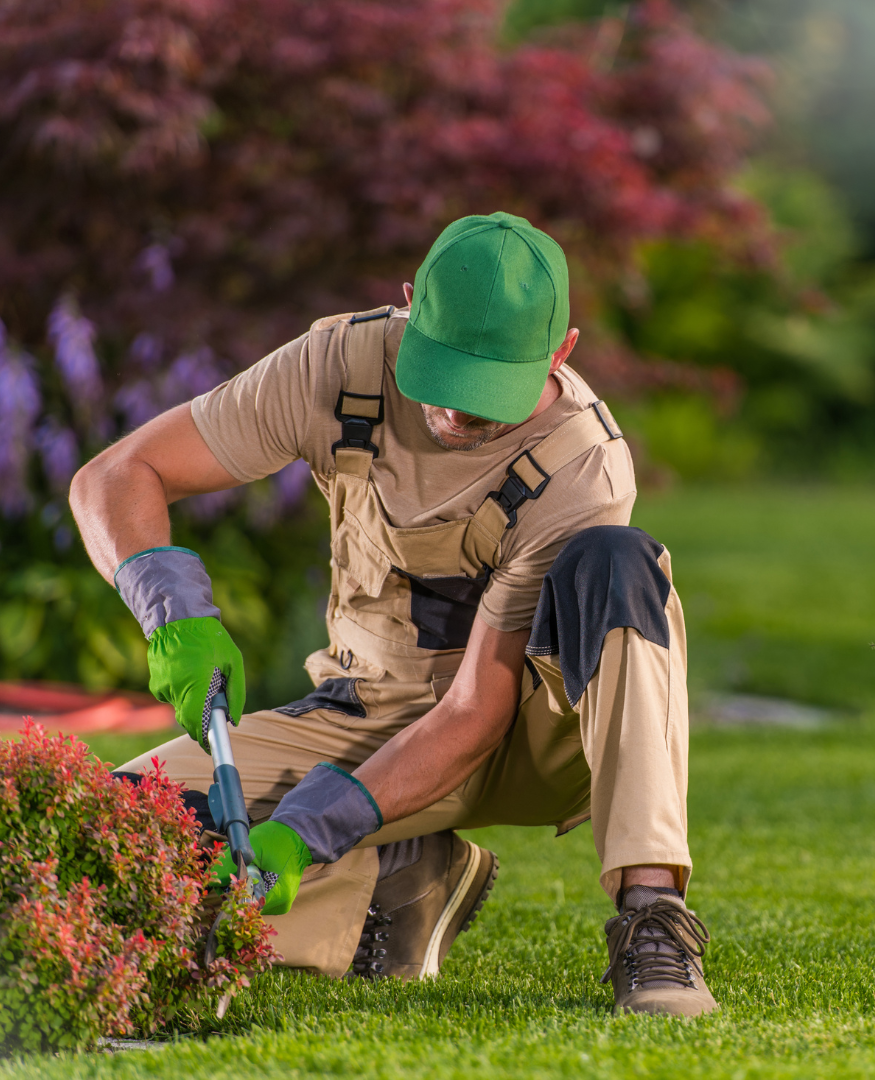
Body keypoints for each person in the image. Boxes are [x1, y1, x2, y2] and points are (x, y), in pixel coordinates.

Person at [70, 211, 717, 1016]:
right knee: (110, 840)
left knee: (620, 565)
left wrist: (309, 825)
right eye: (442, 379)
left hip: (532, 732)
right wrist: (171, 612)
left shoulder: (582, 463)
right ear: (411, 306)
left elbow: (476, 713)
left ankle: (653, 918)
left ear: (560, 354)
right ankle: (393, 887)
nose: (454, 415)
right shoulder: (338, 364)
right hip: (363, 710)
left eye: (486, 394)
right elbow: (118, 473)